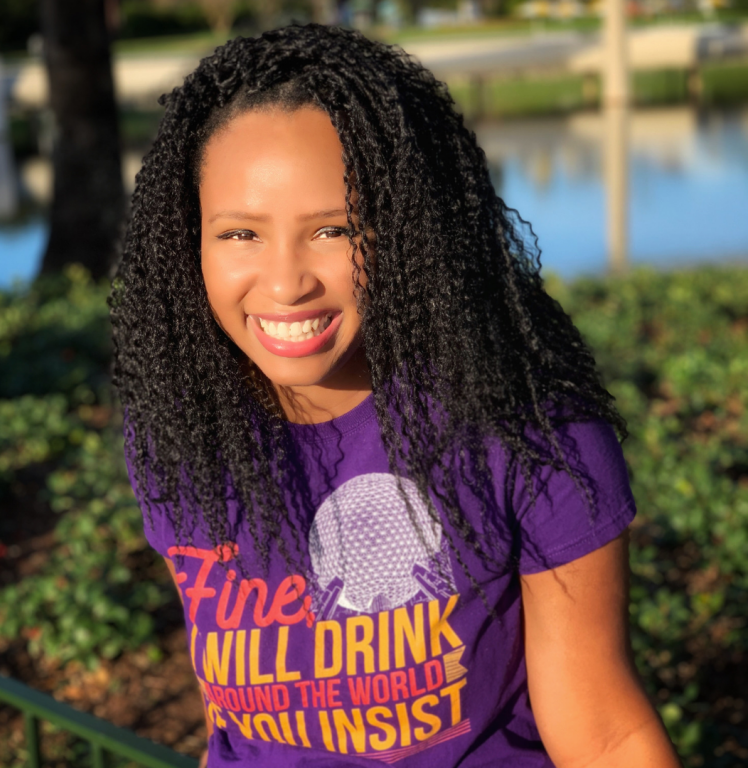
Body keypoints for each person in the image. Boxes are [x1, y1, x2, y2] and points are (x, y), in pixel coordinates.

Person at [111, 24, 681, 768]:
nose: (285, 283)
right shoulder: (182, 435)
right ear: (188, 241)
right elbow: (242, 728)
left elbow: (605, 737)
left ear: (412, 229)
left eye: (335, 229)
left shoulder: (527, 429)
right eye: (240, 233)